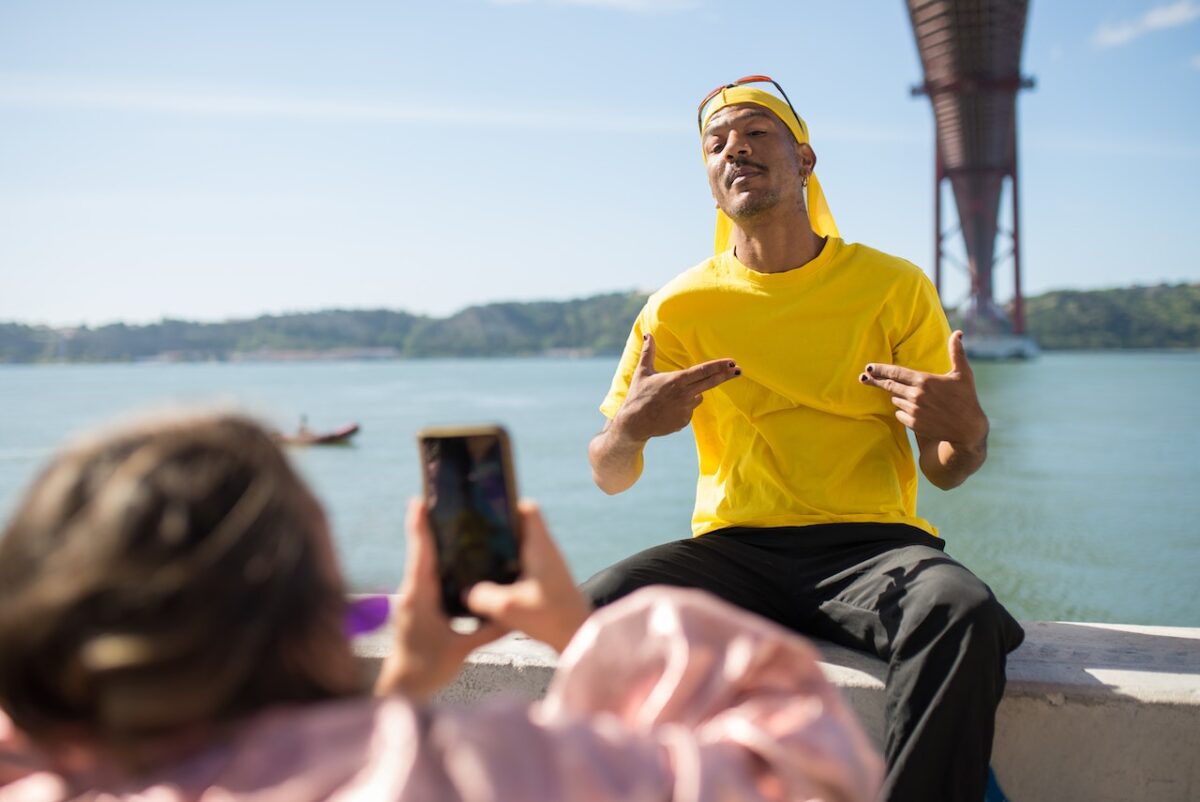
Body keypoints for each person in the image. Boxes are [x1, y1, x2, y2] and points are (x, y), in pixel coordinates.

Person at [0, 411, 882, 801]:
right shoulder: (479, 772)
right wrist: (585, 632)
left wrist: (398, 689)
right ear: (310, 619)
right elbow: (807, 775)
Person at [582, 76, 1025, 802]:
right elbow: (608, 472)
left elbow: (945, 471)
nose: (737, 151)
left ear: (804, 161)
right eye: (717, 144)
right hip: (735, 551)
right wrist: (629, 431)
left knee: (959, 610)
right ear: (710, 182)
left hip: (873, 547)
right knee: (599, 610)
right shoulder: (679, 305)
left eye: (757, 134)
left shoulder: (892, 286)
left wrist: (968, 435)